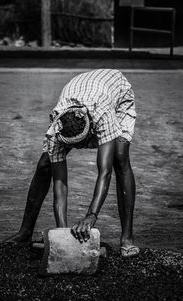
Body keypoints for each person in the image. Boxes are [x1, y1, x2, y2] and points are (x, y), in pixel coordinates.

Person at [9, 69, 139, 257]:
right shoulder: (57, 128)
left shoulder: (102, 115)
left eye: (84, 144)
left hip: (115, 90)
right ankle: (25, 232)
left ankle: (127, 238)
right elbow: (59, 185)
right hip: (82, 89)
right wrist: (63, 236)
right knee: (45, 164)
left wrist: (90, 216)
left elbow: (105, 172)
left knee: (119, 157)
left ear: (90, 132)